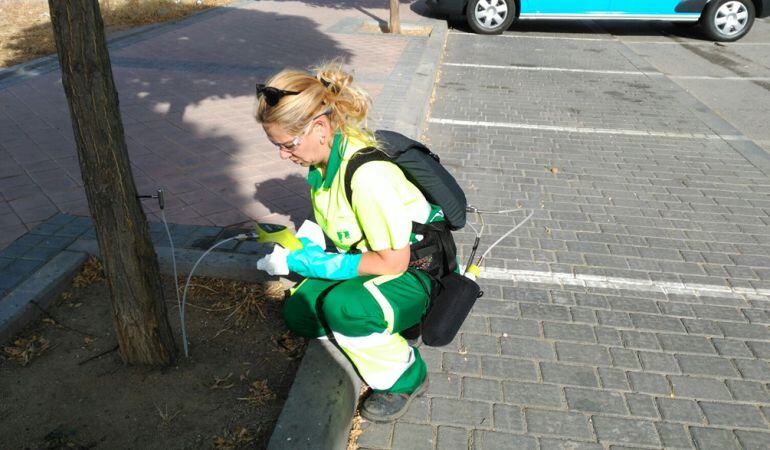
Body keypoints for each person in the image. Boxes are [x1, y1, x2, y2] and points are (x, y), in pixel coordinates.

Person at [254, 62, 445, 422]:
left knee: (345, 308)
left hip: (415, 273)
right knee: (299, 314)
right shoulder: (322, 164)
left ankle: (406, 376)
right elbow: (343, 233)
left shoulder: (368, 177)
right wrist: (305, 248)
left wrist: (307, 263)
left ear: (321, 128)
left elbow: (392, 263)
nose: (283, 154)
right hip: (377, 261)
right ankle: (376, 331)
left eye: (288, 144)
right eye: (275, 144)